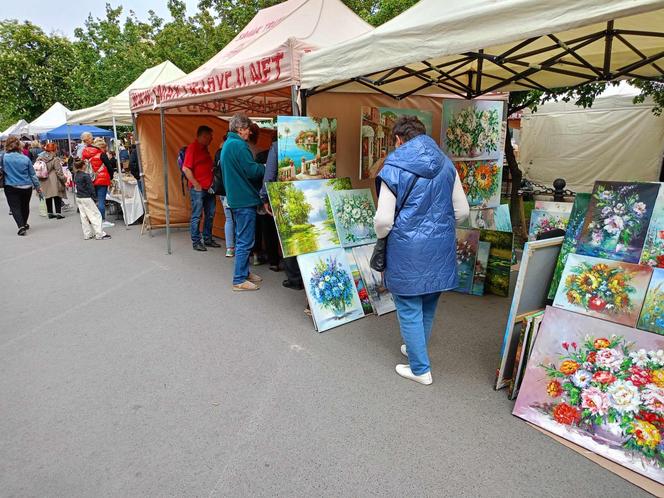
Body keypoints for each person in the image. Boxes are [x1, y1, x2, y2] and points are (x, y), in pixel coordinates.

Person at [374, 116, 469, 386]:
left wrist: (384, 237)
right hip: (440, 247)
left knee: (408, 305)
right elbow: (462, 211)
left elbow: (383, 220)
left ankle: (419, 368)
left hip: (406, 249)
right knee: (427, 302)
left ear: (398, 140)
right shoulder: (447, 164)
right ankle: (416, 349)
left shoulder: (393, 166)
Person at [221, 113, 265, 291]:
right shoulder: (239, 145)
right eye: (247, 129)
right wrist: (264, 167)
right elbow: (252, 171)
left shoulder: (228, 144)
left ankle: (244, 272)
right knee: (245, 241)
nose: (249, 133)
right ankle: (239, 279)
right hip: (244, 199)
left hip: (236, 198)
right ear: (240, 129)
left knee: (242, 238)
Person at [261, 140, 304, 290]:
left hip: (286, 195)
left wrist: (265, 197)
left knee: (289, 237)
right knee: (305, 236)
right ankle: (307, 274)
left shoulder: (277, 146)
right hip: (309, 193)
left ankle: (295, 279)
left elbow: (270, 174)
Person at [182, 125, 218, 251]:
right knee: (197, 215)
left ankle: (207, 239)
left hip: (208, 188)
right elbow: (186, 168)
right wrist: (196, 184)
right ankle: (196, 241)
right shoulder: (193, 148)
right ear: (203, 136)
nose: (212, 139)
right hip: (198, 189)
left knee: (210, 214)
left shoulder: (204, 149)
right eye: (210, 137)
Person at [2, 136, 42, 235]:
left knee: (15, 207)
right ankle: (24, 223)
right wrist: (38, 188)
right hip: (26, 186)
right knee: (25, 206)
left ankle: (21, 226)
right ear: (19, 146)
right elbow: (32, 174)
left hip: (11, 185)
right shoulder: (25, 158)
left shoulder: (4, 157)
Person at [72, 159, 111, 240]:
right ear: (83, 166)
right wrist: (95, 198)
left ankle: (87, 234)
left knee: (84, 217)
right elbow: (91, 188)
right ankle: (99, 234)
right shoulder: (86, 176)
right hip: (86, 197)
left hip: (79, 197)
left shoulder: (76, 175)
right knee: (96, 215)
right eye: (85, 164)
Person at [82, 137, 114, 228]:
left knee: (92, 201)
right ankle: (102, 221)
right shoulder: (101, 154)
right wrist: (110, 177)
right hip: (102, 179)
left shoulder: (85, 154)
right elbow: (109, 167)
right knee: (101, 201)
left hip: (90, 180)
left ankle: (92, 220)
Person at [214, 134, 235, 257]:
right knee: (237, 219)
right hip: (233, 190)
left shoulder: (219, 152)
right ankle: (238, 247)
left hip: (223, 191)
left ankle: (229, 248)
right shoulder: (232, 151)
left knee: (229, 219)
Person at [38, 143, 67, 219]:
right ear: (54, 150)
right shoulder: (55, 159)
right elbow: (58, 171)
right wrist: (64, 179)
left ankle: (50, 212)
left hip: (43, 179)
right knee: (57, 195)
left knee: (48, 196)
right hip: (54, 179)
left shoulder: (40, 158)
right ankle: (58, 213)